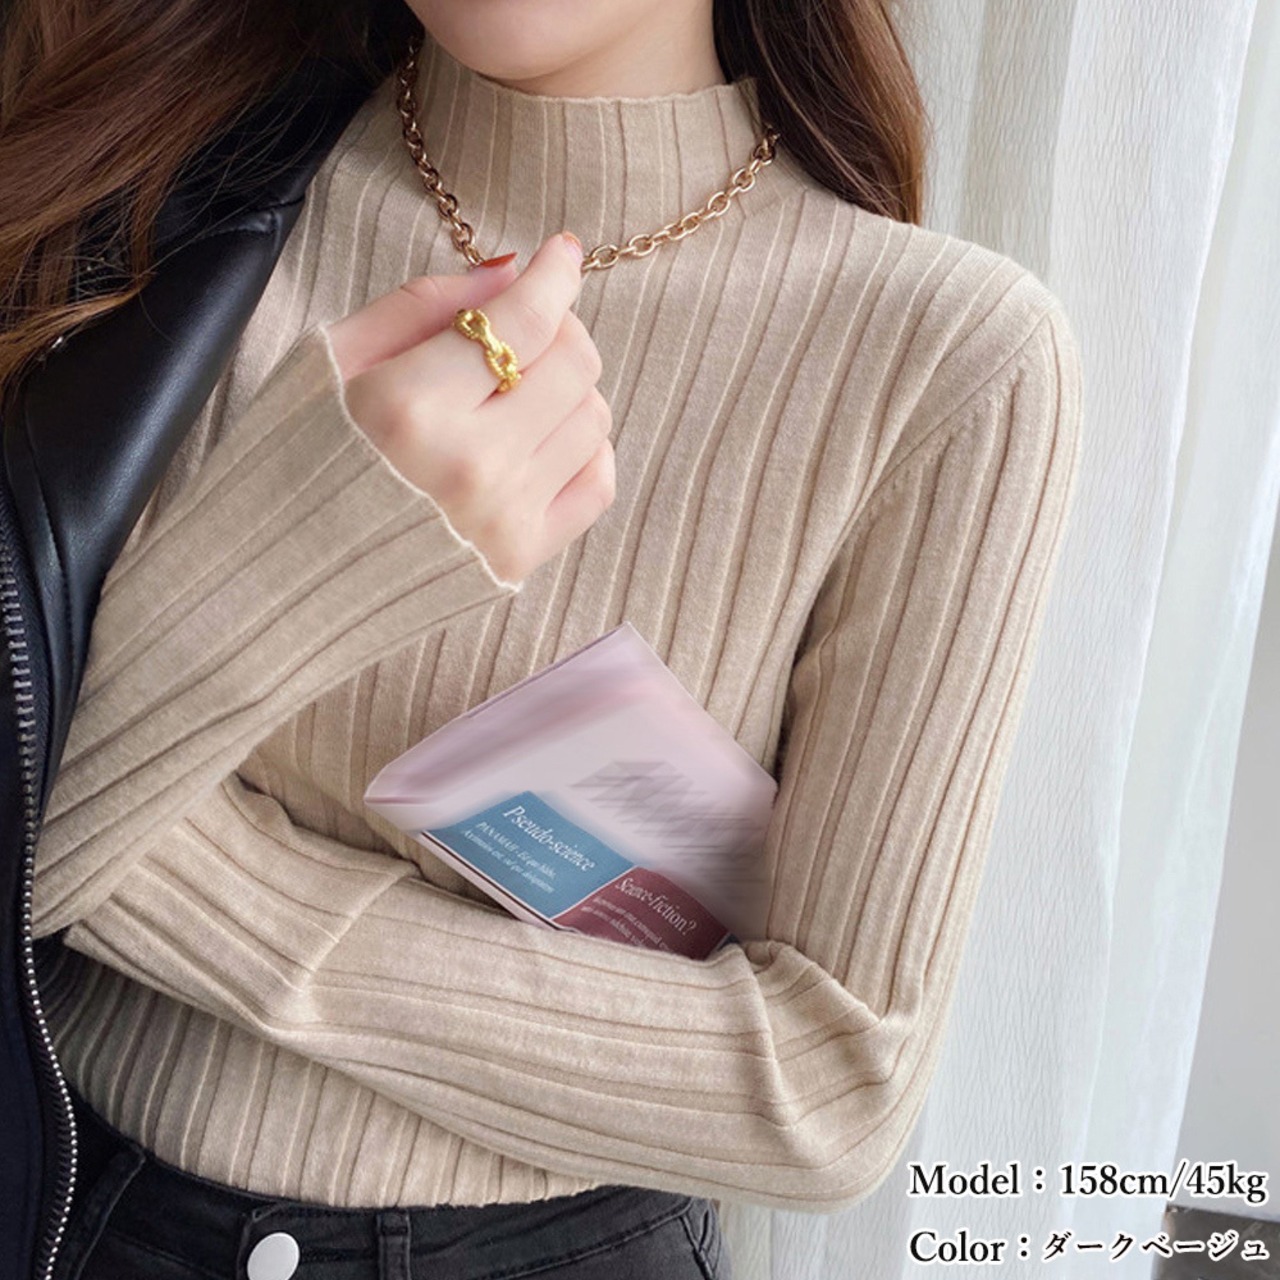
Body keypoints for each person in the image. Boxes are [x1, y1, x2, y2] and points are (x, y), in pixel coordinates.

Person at [2, 0, 1083, 1276]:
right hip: (60, 1206)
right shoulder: (129, 183)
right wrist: (300, 553)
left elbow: (827, 1090)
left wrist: (191, 889)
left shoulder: (949, 359)